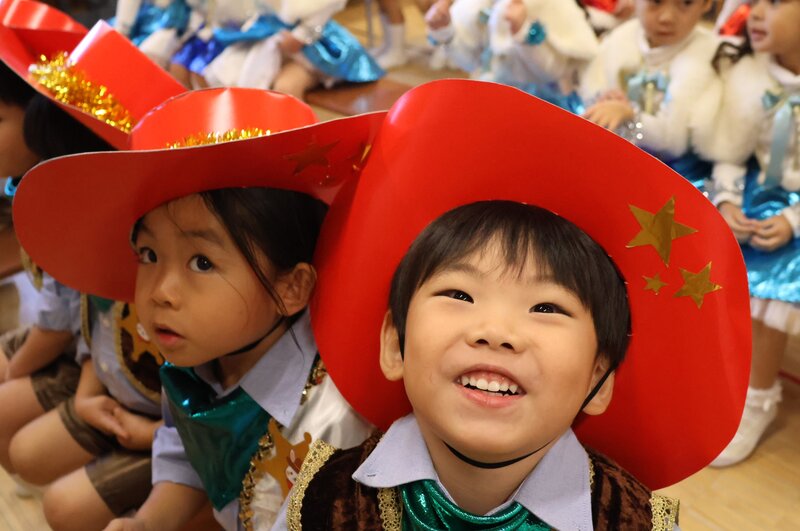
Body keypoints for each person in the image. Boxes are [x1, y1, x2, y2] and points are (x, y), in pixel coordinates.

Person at [266, 79, 752, 529]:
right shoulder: (322, 500)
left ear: (599, 379)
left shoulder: (633, 521)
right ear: (395, 344)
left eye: (547, 308)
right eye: (460, 294)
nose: (496, 331)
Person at [13, 87, 385, 531]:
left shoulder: (332, 425)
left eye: (202, 262)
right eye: (149, 254)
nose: (160, 292)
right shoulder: (195, 352)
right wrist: (148, 522)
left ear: (291, 287)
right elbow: (189, 446)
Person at [704, 0, 800, 467]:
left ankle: (759, 397)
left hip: (795, 210)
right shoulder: (748, 75)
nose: (756, 13)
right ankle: (722, 379)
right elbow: (729, 149)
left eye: (775, 2)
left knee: (773, 294)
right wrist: (726, 201)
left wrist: (793, 220)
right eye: (754, 1)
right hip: (758, 195)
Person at [580, 0, 722, 193]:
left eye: (686, 3)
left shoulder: (708, 56)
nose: (667, 17)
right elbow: (590, 88)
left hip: (677, 180)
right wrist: (604, 99)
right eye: (656, 2)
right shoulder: (621, 38)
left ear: (706, 4)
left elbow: (674, 140)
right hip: (614, 164)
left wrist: (630, 115)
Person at [170, 0, 383, 100]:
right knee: (222, 72)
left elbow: (310, 25)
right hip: (268, 43)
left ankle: (294, 146)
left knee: (285, 88)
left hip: (314, 51)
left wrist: (300, 36)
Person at [424, 0, 598, 113]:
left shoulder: (555, 5)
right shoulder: (481, 5)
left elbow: (553, 72)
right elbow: (472, 63)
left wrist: (523, 31)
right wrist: (445, 30)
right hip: (489, 100)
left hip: (540, 108)